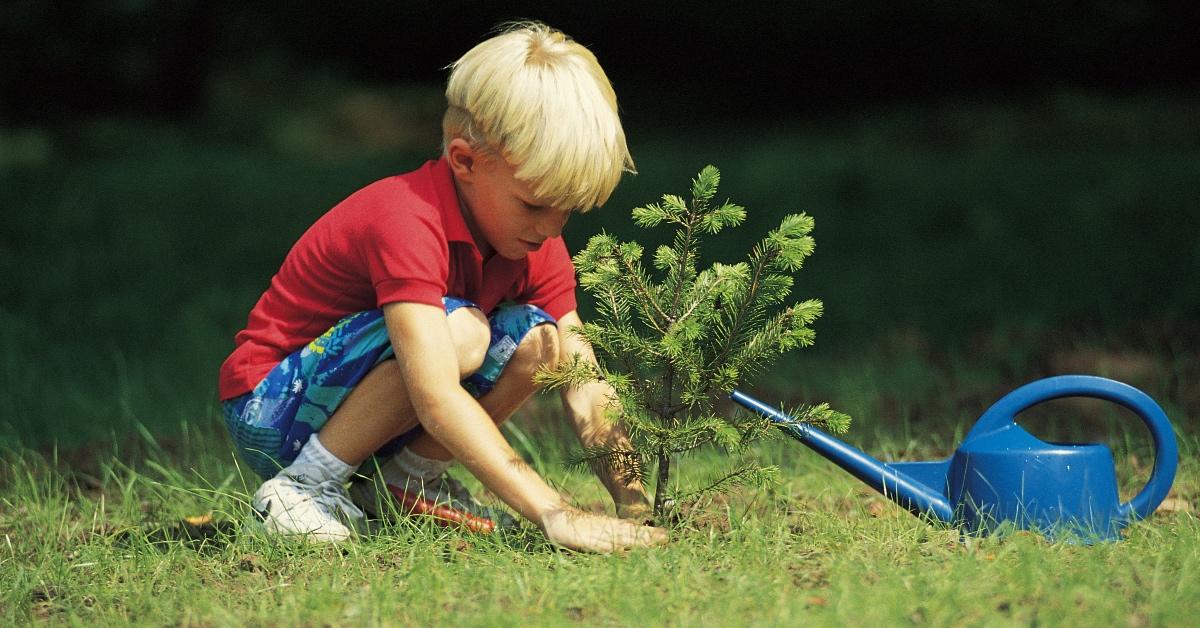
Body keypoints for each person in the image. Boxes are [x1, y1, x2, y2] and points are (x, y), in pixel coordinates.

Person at [218, 21, 668, 552]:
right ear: (465, 161)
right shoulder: (405, 219)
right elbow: (433, 394)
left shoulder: (533, 242)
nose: (552, 228)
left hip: (358, 409)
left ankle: (407, 483)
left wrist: (633, 504)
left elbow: (583, 380)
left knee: (545, 343)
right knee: (462, 334)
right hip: (272, 407)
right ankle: (301, 488)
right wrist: (555, 513)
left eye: (567, 209)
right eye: (534, 204)